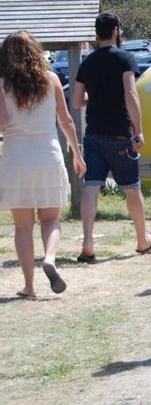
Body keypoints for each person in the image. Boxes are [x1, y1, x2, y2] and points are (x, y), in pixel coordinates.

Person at [0, 30, 86, 298]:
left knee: (23, 226)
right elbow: (66, 120)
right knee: (51, 219)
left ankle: (30, 286)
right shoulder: (52, 80)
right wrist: (77, 153)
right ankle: (50, 258)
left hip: (16, 157)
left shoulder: (2, 84)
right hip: (48, 154)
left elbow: (1, 124)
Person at [71, 12, 151, 262]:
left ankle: (88, 243)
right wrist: (139, 129)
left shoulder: (87, 63)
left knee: (92, 186)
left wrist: (96, 98)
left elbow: (77, 100)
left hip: (94, 135)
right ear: (116, 30)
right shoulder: (125, 58)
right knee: (132, 188)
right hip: (120, 133)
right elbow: (131, 94)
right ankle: (142, 240)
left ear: (97, 33)